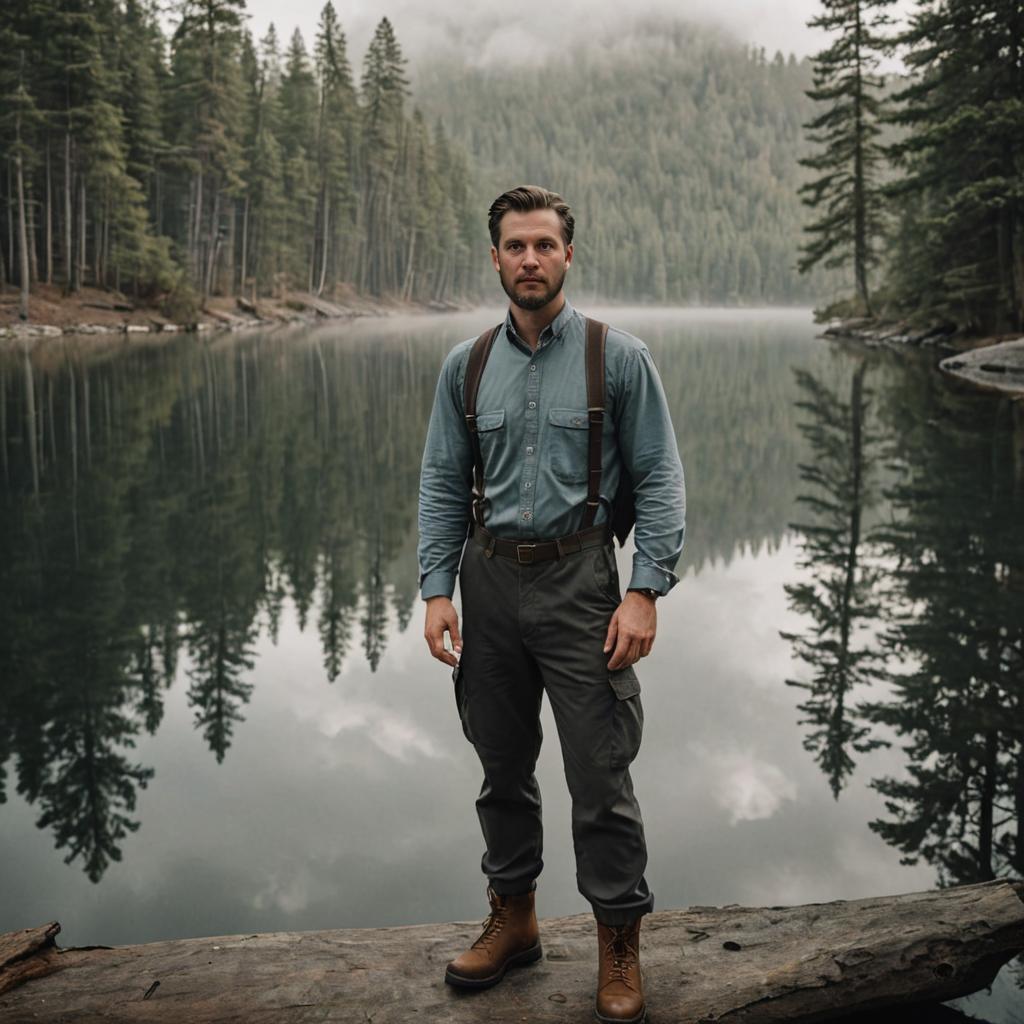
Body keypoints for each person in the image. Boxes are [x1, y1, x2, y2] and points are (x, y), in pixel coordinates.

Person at [417, 185, 685, 1024]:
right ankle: (517, 919)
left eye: (544, 244)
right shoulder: (465, 367)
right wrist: (436, 591)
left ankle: (617, 940)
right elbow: (438, 484)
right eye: (515, 246)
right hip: (487, 580)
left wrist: (644, 590)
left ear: (568, 254)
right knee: (500, 765)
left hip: (582, 584)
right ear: (494, 258)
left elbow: (661, 482)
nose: (529, 259)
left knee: (600, 775)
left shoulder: (620, 358)